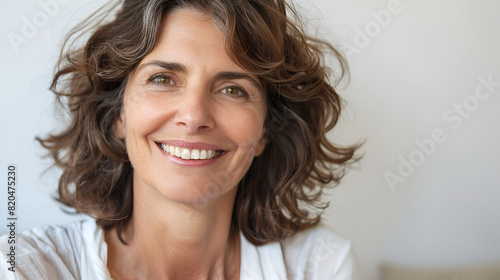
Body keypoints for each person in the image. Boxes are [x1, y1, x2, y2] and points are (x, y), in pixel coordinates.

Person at [0, 0, 360, 279]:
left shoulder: (321, 266)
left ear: (266, 129)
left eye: (233, 89)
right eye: (163, 79)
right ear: (118, 115)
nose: (194, 117)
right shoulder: (22, 267)